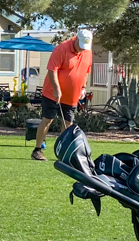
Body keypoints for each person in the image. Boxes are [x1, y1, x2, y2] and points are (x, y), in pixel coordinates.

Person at [31, 28, 93, 161]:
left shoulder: (87, 51)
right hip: (52, 93)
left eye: (85, 47)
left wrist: (83, 87)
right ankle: (37, 150)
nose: (82, 49)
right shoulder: (61, 49)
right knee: (48, 120)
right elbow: (52, 70)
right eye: (81, 45)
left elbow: (86, 71)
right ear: (76, 39)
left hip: (72, 96)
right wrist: (56, 89)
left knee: (68, 124)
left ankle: (63, 153)